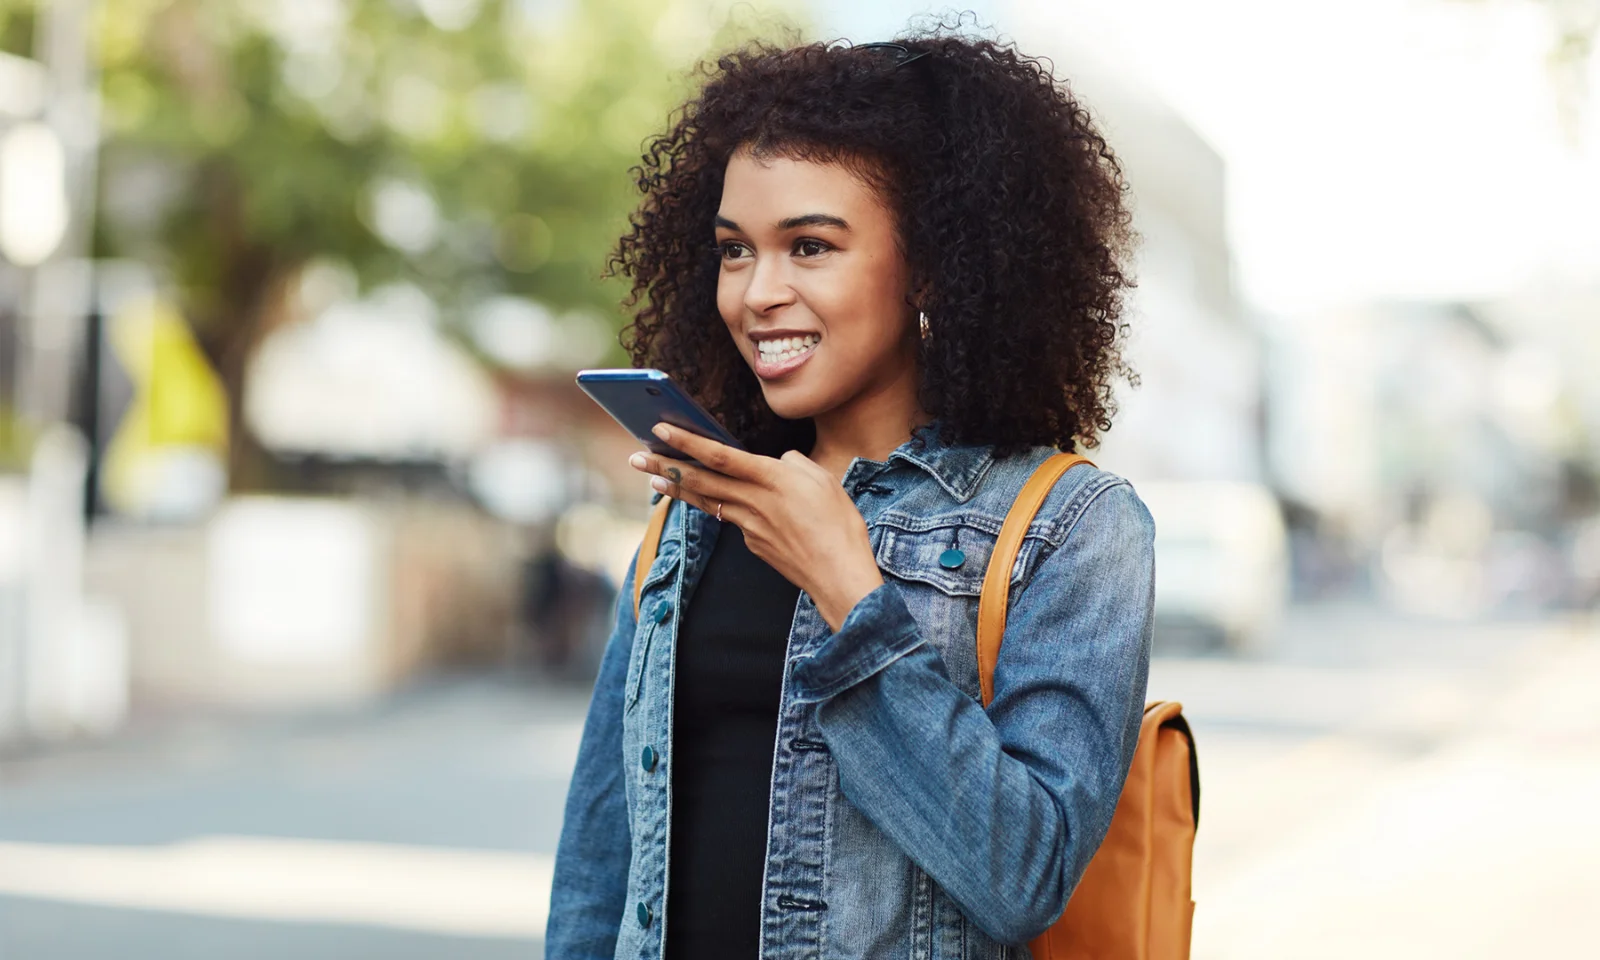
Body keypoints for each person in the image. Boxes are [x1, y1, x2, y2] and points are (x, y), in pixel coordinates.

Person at [548, 32, 1156, 960]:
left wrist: (852, 597)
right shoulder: (697, 514)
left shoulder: (1072, 528)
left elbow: (1023, 876)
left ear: (931, 266)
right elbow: (603, 861)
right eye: (735, 250)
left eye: (810, 246)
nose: (759, 292)